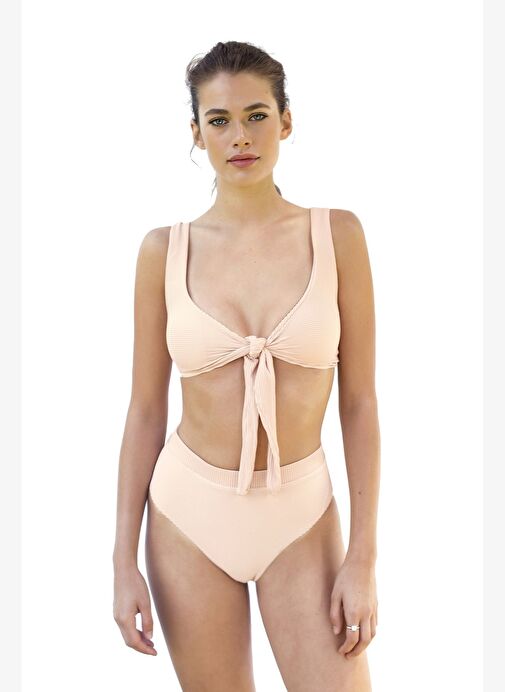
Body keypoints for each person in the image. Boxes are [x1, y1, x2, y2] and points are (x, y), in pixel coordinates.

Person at [113, 40, 380, 691]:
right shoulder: (164, 251)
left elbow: (360, 403)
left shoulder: (337, 236)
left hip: (301, 515)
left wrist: (363, 558)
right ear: (196, 133)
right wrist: (122, 561)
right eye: (220, 120)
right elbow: (145, 411)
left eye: (257, 115)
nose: (240, 136)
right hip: (186, 516)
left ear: (285, 121)